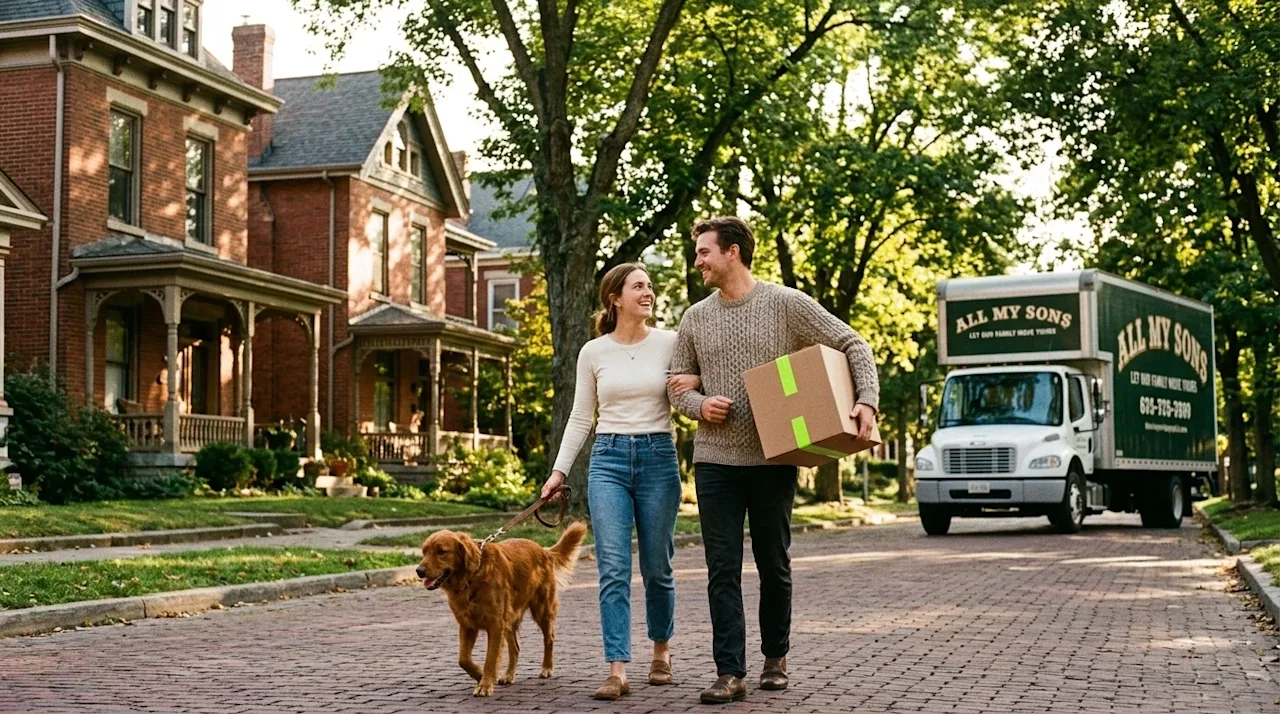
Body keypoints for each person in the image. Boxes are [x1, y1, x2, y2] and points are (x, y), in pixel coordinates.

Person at [667, 216, 880, 705]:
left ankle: (775, 659)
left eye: (704, 252)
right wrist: (702, 406)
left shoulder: (786, 304)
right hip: (716, 460)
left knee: (773, 565)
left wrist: (865, 400)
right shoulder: (695, 317)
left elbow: (854, 343)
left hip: (773, 458)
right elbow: (678, 381)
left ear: (733, 252)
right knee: (722, 567)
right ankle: (729, 671)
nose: (697, 260)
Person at [540, 262, 701, 700]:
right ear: (615, 298)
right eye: (638, 286)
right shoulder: (593, 351)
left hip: (658, 458)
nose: (647, 292)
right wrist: (558, 471)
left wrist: (699, 383)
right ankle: (617, 669)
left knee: (657, 566)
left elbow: (693, 386)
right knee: (613, 569)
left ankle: (662, 653)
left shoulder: (671, 342)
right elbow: (580, 416)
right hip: (608, 460)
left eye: (649, 285)